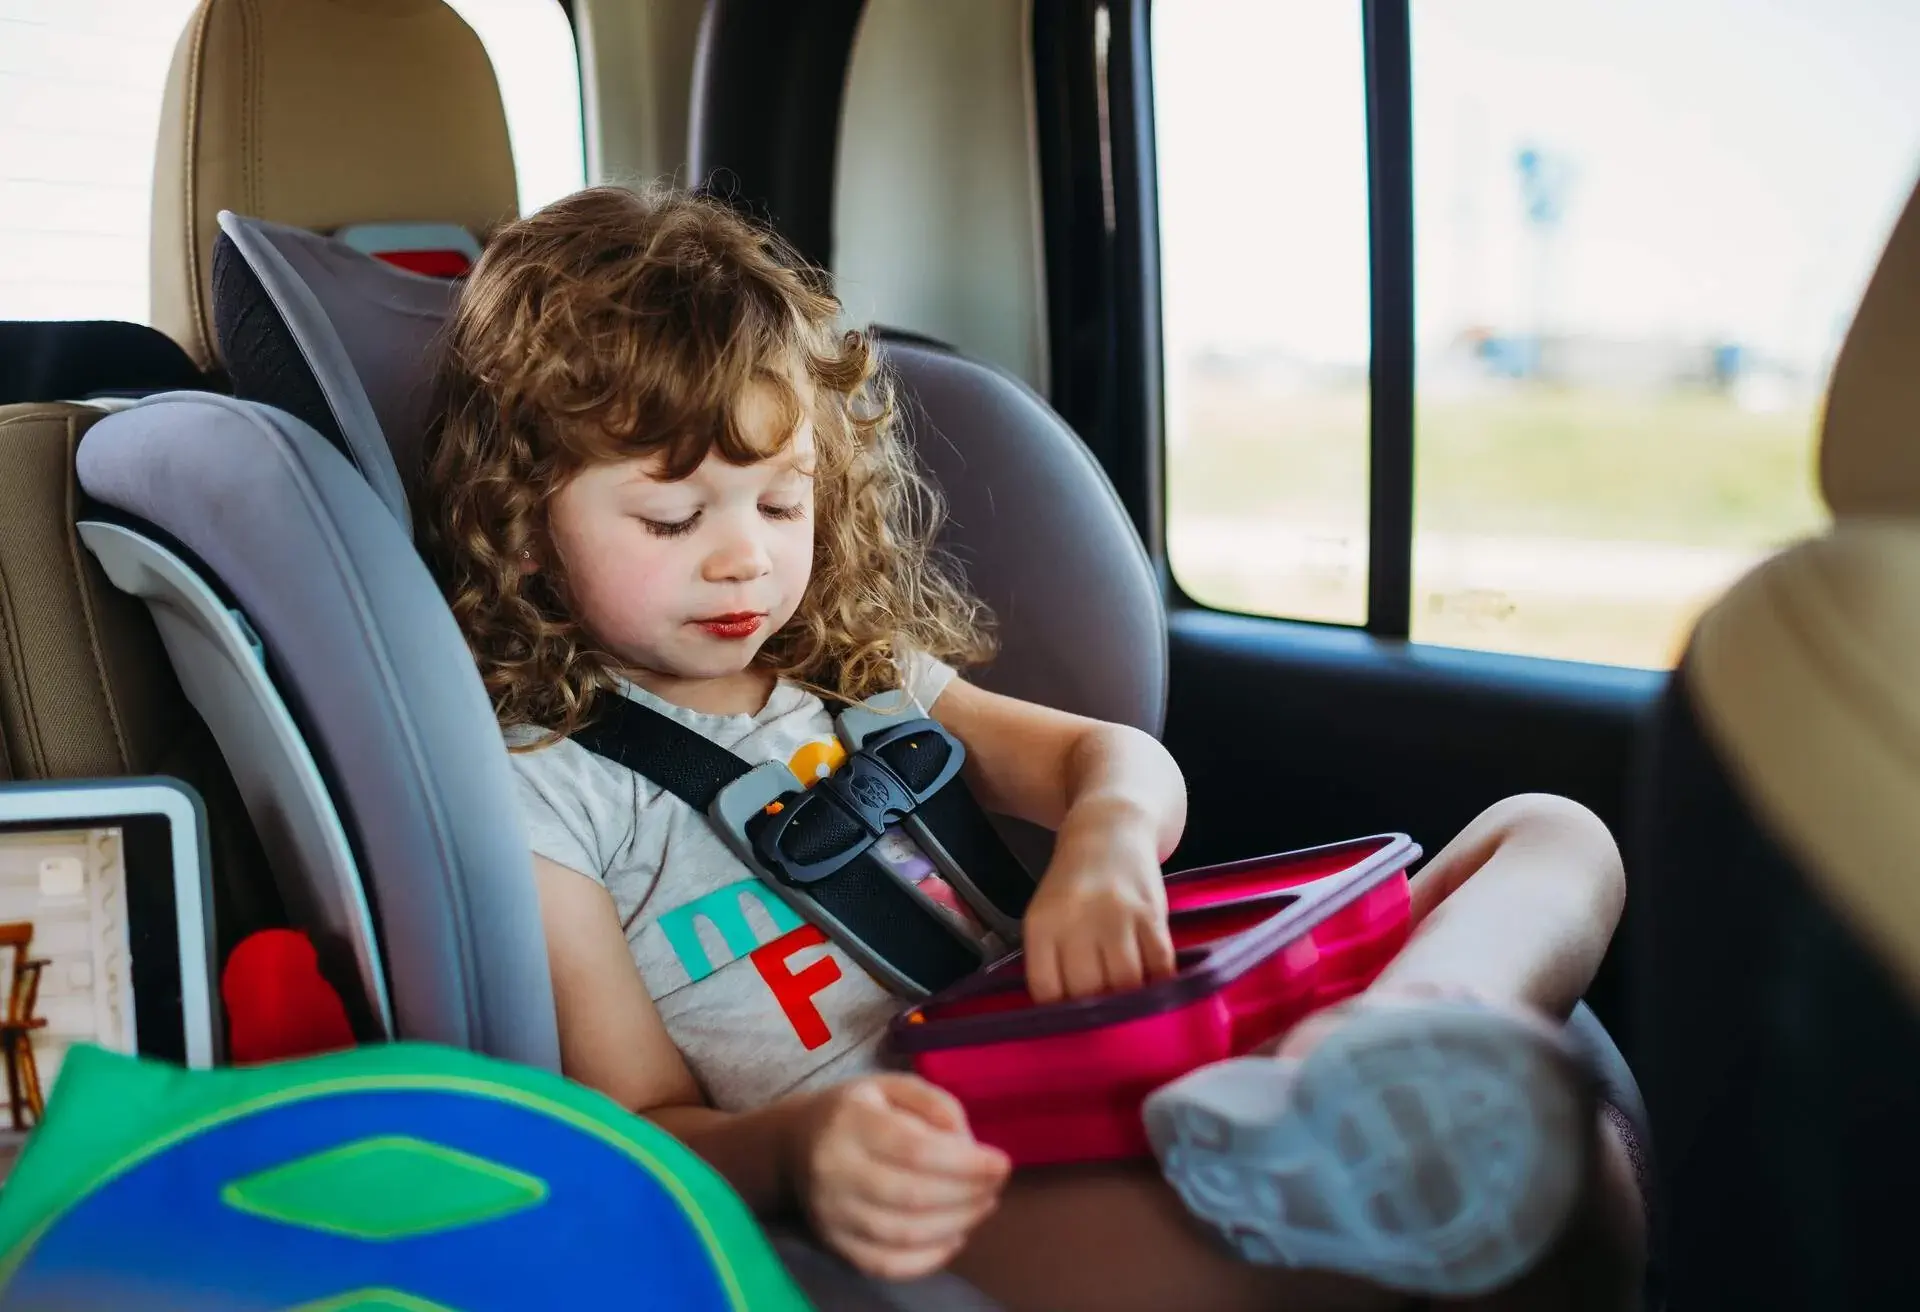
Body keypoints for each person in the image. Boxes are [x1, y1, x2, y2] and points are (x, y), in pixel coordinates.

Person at [417, 185, 1644, 1312]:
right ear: (523, 525)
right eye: (674, 515)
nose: (745, 556)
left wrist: (1105, 847)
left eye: (782, 501)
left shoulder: (859, 677)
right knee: (1510, 1218)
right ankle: (1342, 1131)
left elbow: (1105, 762)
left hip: (1112, 1045)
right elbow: (635, 1123)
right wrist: (798, 1154)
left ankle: (1400, 1037)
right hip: (948, 1161)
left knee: (1552, 831)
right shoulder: (550, 791)